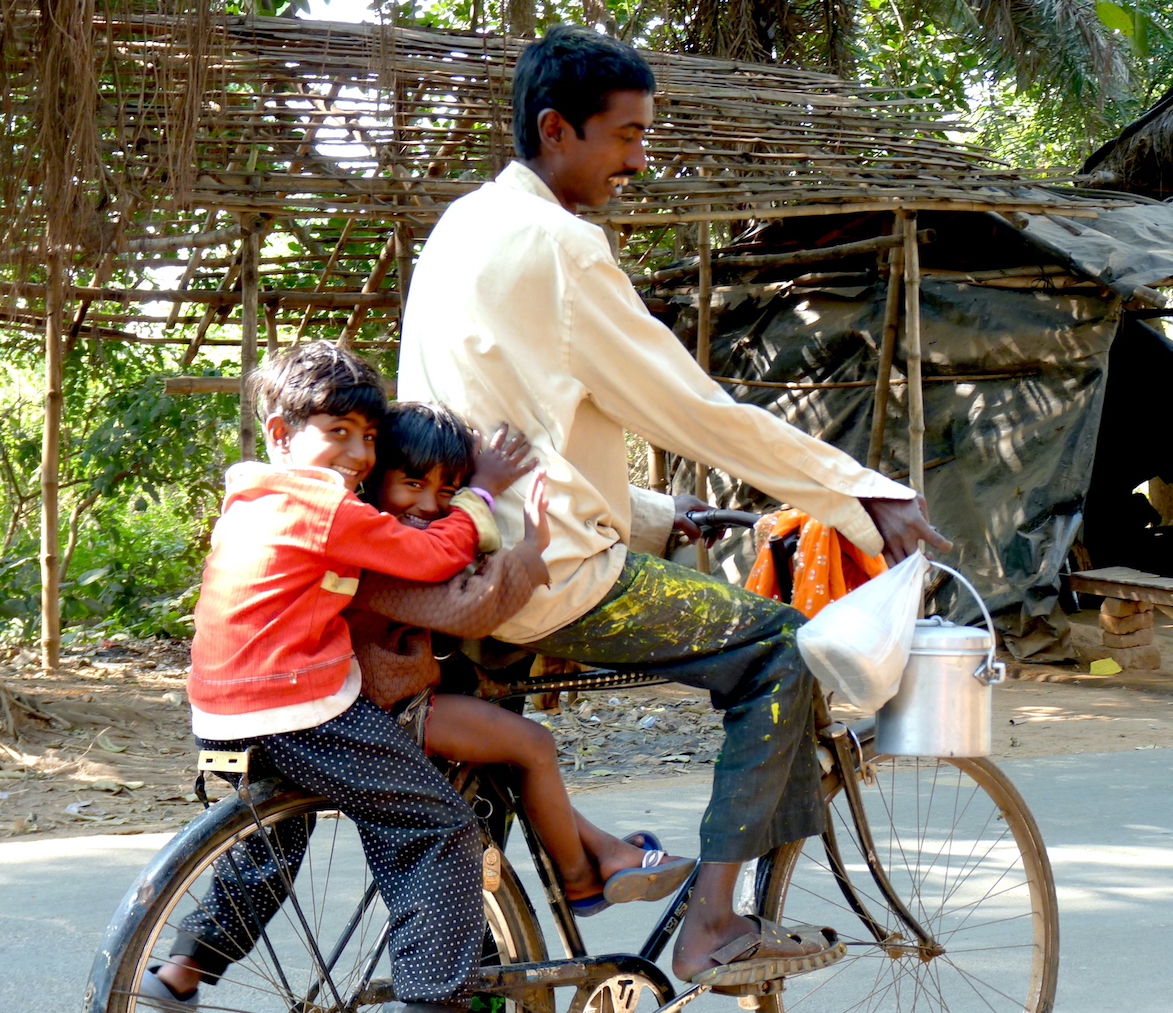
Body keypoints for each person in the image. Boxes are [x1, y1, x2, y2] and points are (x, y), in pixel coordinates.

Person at [398, 25, 952, 990]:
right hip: (545, 577)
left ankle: (539, 924)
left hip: (452, 561)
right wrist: (860, 488)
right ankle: (710, 926)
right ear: (556, 129)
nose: (639, 159)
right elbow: (693, 409)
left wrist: (653, 514)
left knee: (472, 835)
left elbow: (519, 420)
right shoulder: (561, 246)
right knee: (785, 648)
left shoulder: (461, 226)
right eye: (626, 136)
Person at [144, 342, 505, 1013]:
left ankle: (180, 972)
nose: (360, 454)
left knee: (271, 843)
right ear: (280, 434)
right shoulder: (320, 505)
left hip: (223, 710)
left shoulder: (250, 499)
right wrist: (474, 504)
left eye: (367, 437)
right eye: (336, 432)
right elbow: (427, 555)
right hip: (298, 706)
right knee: (439, 826)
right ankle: (435, 1001)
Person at [348, 401, 696, 914]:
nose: (428, 504)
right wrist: (532, 549)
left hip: (392, 701)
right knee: (534, 744)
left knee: (513, 756)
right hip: (391, 713)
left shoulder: (387, 528)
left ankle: (608, 851)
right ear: (376, 479)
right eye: (413, 484)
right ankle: (579, 880)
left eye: (447, 491)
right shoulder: (385, 543)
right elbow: (470, 610)